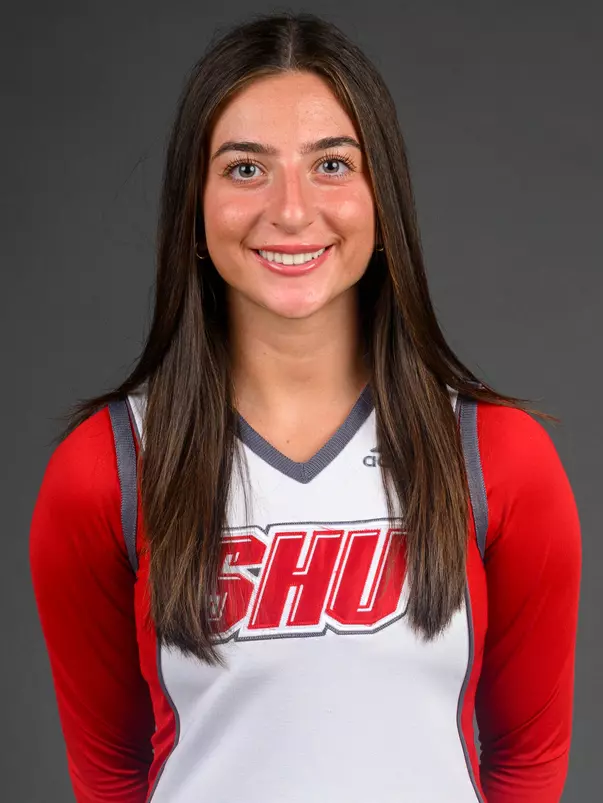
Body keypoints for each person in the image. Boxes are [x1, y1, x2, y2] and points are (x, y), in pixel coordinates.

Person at [29, 11, 581, 803]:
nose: (290, 211)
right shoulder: (106, 468)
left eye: (330, 164)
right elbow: (111, 772)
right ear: (195, 204)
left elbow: (526, 758)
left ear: (380, 197)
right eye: (245, 169)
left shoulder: (497, 455)